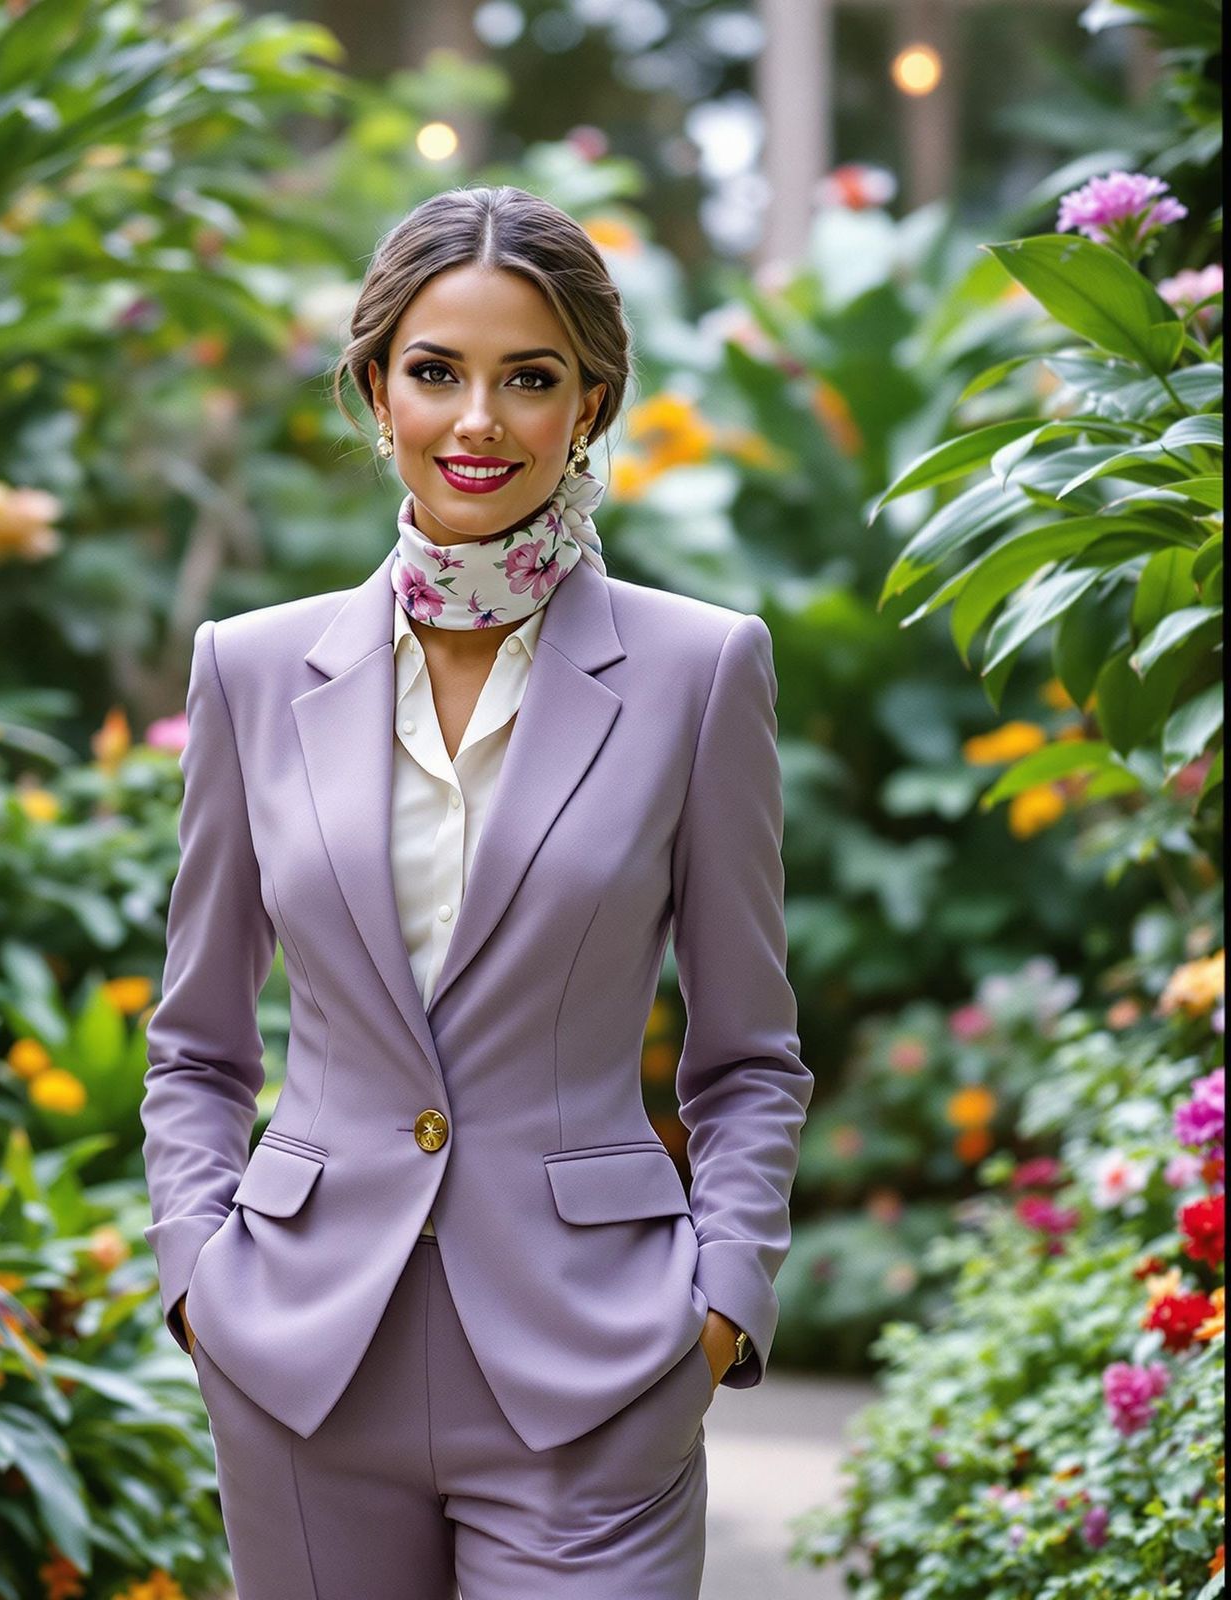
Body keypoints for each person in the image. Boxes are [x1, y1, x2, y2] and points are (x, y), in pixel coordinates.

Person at [139, 184, 813, 1599]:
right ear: (377, 388)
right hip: (303, 1363)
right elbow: (197, 1042)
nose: (479, 421)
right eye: (438, 372)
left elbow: (749, 1055)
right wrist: (198, 1282)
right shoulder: (250, 671)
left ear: (592, 402)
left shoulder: (699, 671)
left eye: (531, 378)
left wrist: (720, 1309)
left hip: (595, 1369)